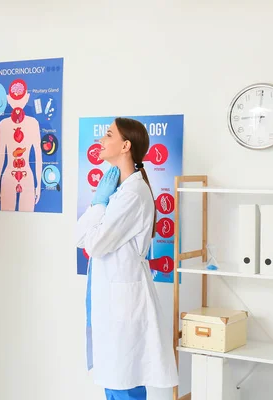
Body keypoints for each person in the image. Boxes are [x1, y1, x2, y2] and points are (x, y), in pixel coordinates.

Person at [75, 118, 178, 400]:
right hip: (110, 298)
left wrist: (98, 203)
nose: (101, 140)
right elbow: (79, 237)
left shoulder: (132, 193)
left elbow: (94, 244)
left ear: (125, 145)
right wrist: (101, 202)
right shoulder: (119, 191)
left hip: (123, 305)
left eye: (108, 135)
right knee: (116, 382)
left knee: (124, 384)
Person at [0, 79, 43, 212]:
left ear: (27, 98)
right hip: (9, 175)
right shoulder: (3, 124)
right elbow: (0, 155)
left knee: (29, 218)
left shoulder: (33, 123)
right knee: (4, 219)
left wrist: (39, 184)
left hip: (27, 177)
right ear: (8, 99)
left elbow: (38, 155)